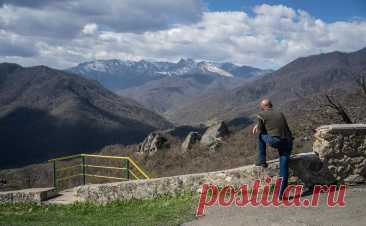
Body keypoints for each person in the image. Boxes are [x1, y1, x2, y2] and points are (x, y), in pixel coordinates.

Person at [252, 98, 293, 198]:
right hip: (288, 142)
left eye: (261, 106)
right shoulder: (280, 113)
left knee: (260, 135)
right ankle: (281, 194)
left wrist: (257, 126)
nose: (260, 108)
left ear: (263, 107)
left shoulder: (260, 115)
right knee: (284, 169)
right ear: (271, 105)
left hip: (276, 141)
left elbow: (261, 129)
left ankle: (262, 160)